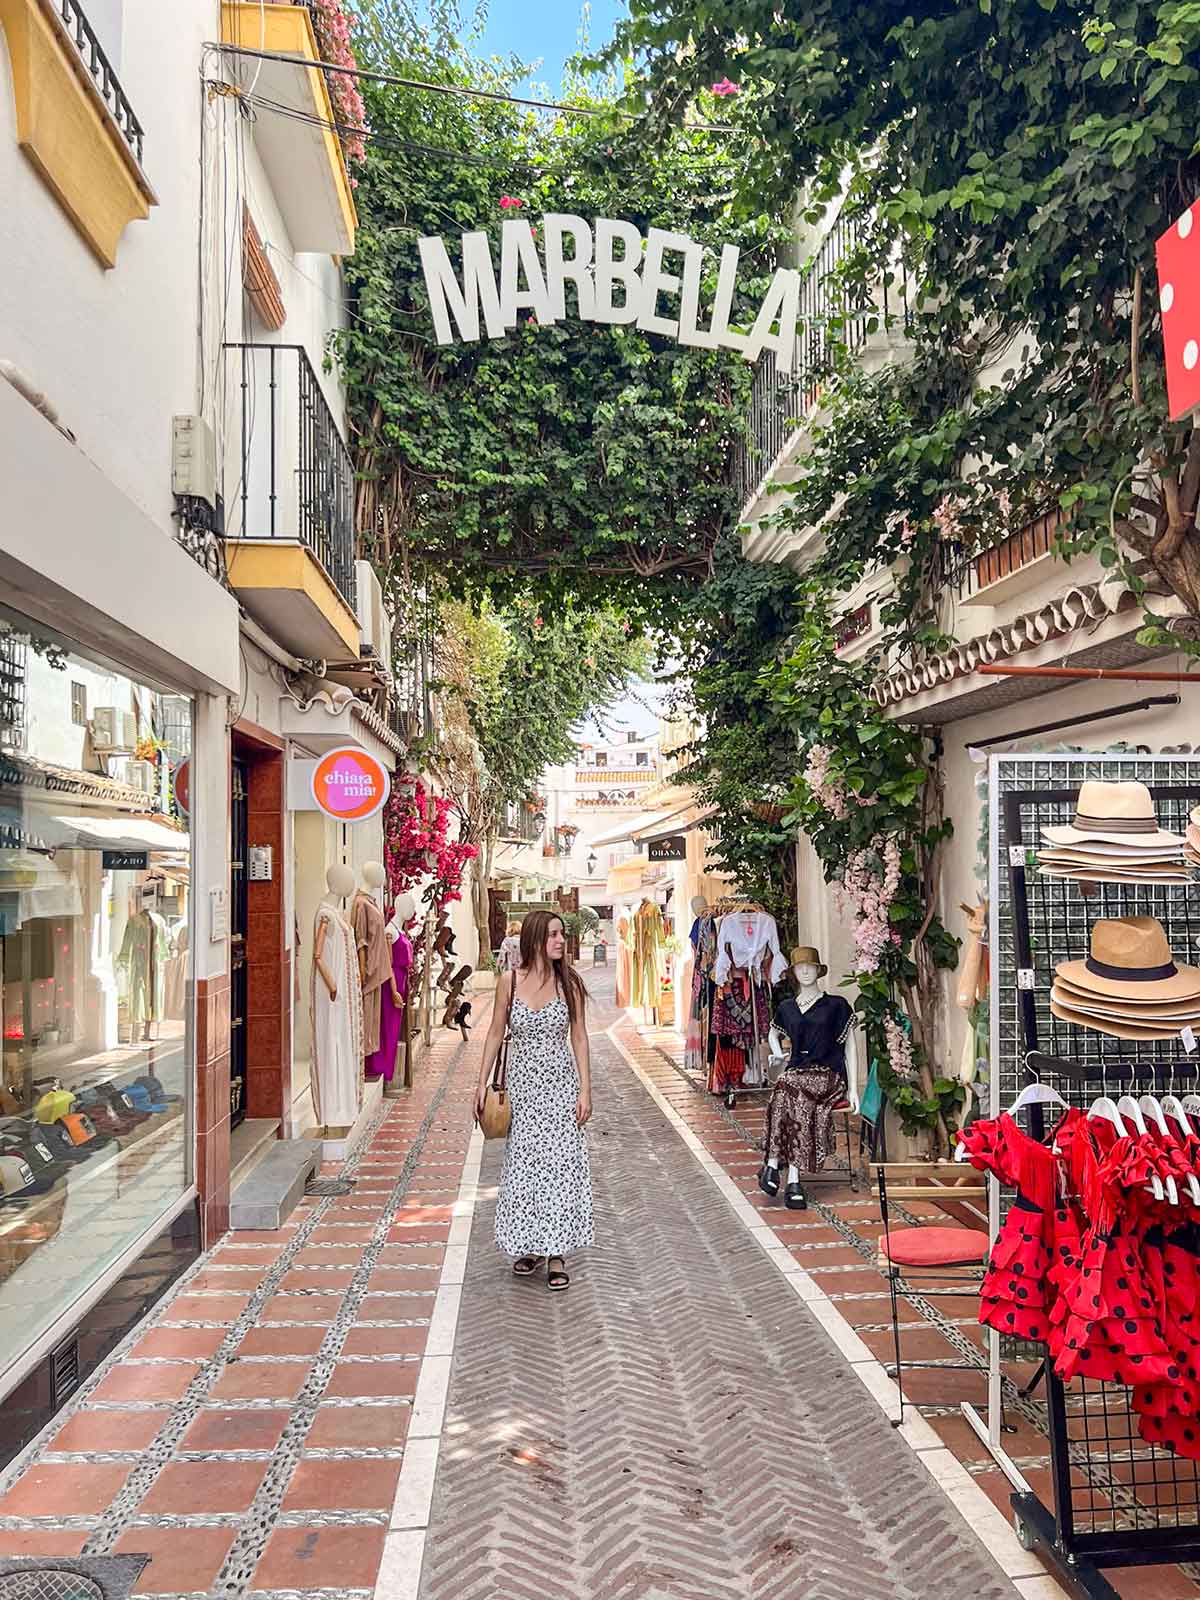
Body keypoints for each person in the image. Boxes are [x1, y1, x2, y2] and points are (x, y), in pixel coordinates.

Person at [475, 909, 594, 1291]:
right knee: (526, 1166)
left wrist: (586, 1089)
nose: (561, 941)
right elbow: (495, 1032)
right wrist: (481, 1084)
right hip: (523, 1089)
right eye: (554, 935)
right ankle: (531, 1244)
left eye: (562, 934)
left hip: (560, 1086)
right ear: (535, 939)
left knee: (559, 1167)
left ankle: (556, 1251)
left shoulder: (569, 984)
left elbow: (579, 1036)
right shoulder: (508, 982)